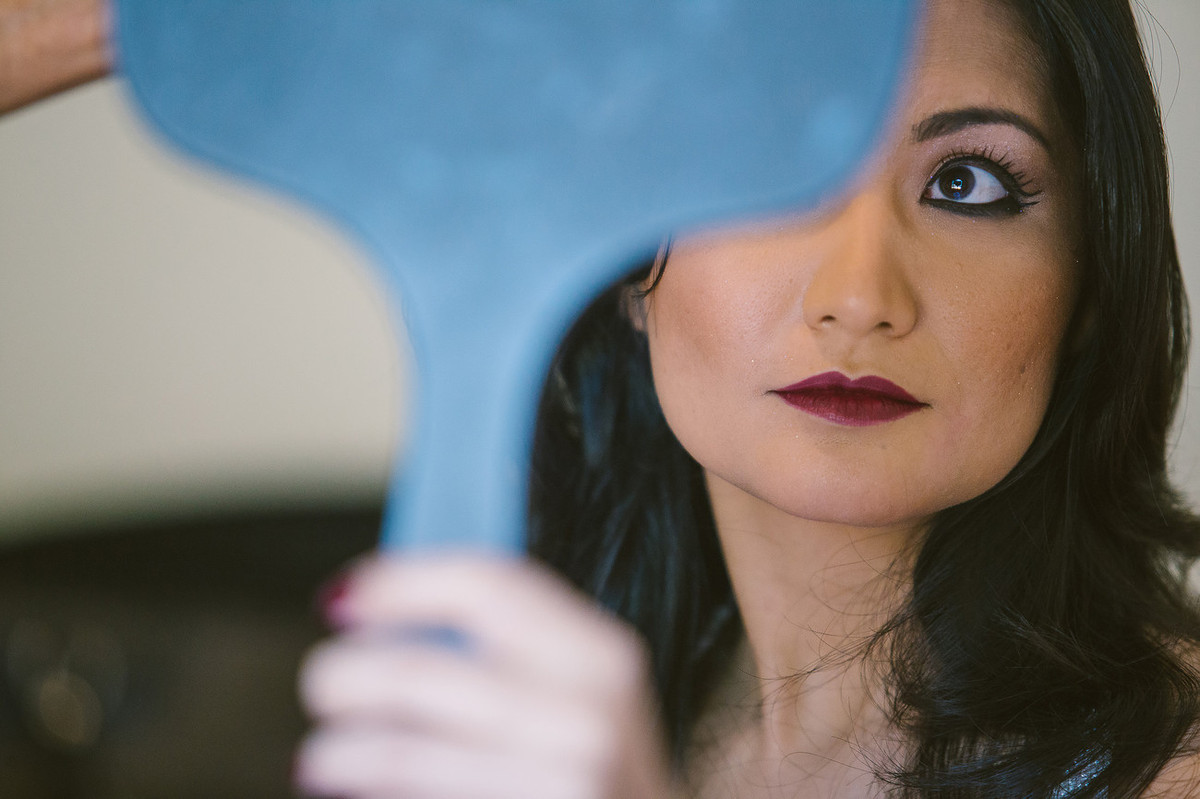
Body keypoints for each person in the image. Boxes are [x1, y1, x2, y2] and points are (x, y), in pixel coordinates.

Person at [5, 0, 1199, 796]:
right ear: (632, 261)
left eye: (970, 181)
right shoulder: (560, 691)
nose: (859, 294)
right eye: (778, 174)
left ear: (1091, 282)